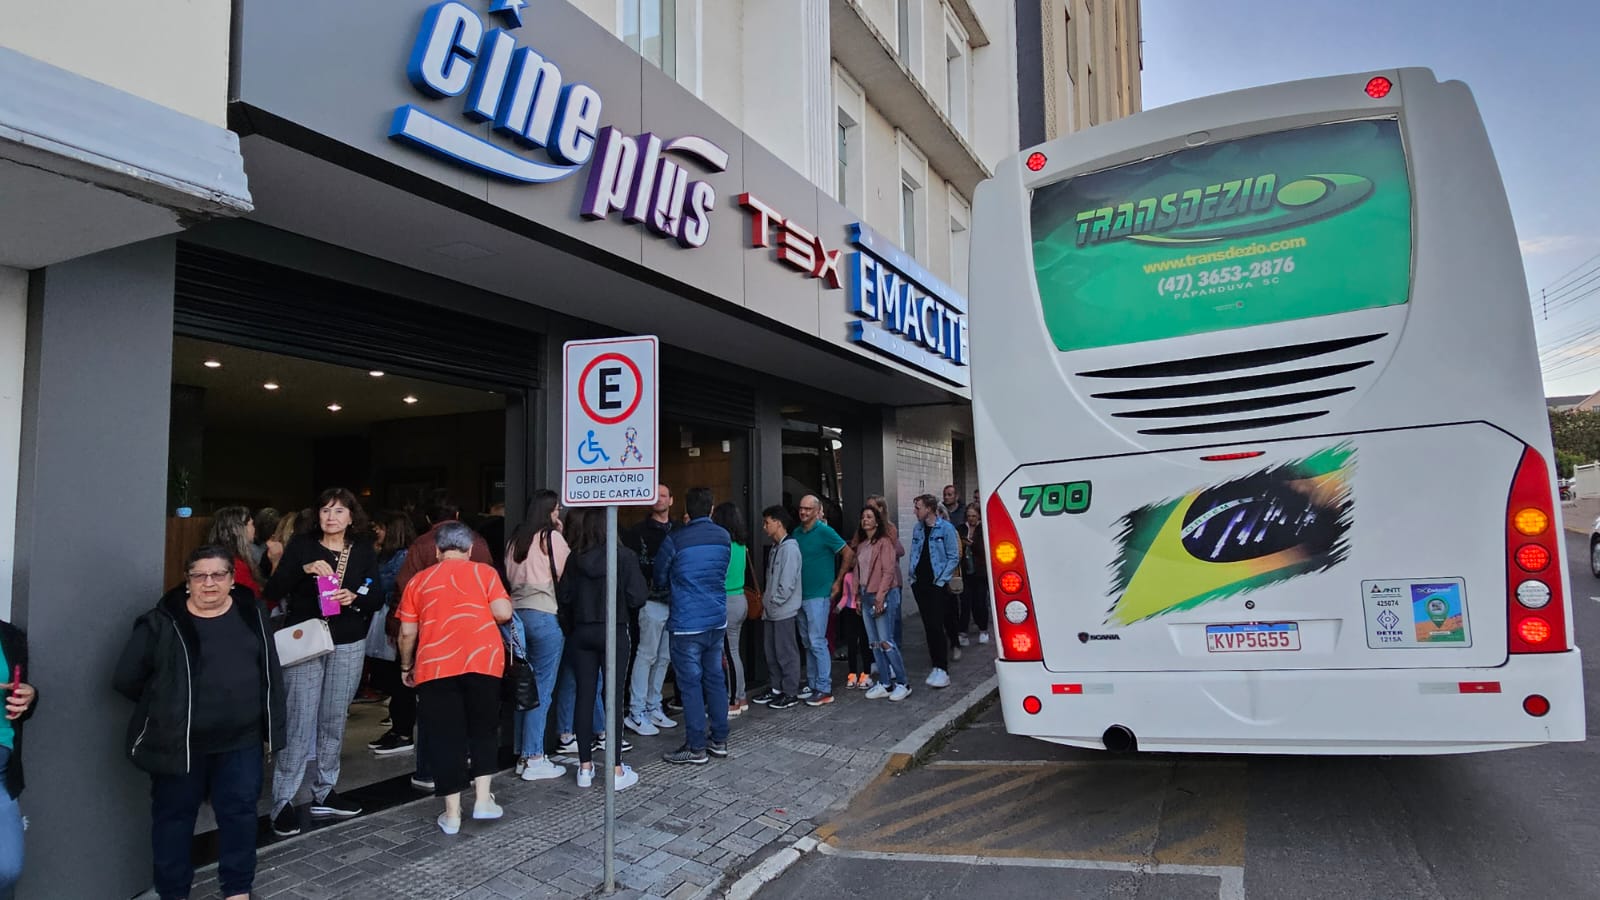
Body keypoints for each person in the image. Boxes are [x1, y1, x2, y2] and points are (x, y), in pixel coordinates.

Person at [114, 546, 282, 900]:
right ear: (187, 582)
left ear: (232, 580)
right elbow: (126, 678)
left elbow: (270, 669)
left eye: (218, 575)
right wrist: (167, 710)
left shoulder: (251, 612)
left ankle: (237, 890)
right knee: (174, 821)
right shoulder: (162, 622)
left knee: (239, 815)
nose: (209, 583)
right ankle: (173, 892)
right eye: (199, 576)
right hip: (181, 744)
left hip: (241, 741)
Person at [262, 488, 382, 836]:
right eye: (326, 510)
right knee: (300, 718)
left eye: (339, 511)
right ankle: (283, 799)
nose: (331, 516)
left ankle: (325, 790)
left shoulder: (361, 550)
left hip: (347, 640)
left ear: (350, 517)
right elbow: (273, 590)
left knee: (333, 718)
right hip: (306, 642)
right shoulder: (302, 545)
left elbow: (375, 593)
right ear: (317, 515)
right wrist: (302, 570)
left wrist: (354, 596)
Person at [396, 522, 513, 834]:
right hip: (484, 661)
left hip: (435, 667)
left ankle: (452, 815)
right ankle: (483, 800)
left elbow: (407, 632)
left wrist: (406, 666)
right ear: (470, 549)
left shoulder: (418, 582)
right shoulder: (485, 573)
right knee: (483, 729)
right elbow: (503, 612)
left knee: (445, 738)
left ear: (437, 551)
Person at [556, 508, 642, 790]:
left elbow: (564, 598)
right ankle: (615, 769)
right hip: (613, 629)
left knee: (585, 695)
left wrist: (573, 628)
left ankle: (584, 767)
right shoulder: (625, 556)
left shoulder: (574, 558)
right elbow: (638, 596)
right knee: (613, 697)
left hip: (582, 630)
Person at [656, 488, 731, 765]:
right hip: (716, 619)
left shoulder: (675, 539)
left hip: (687, 623)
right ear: (711, 509)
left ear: (687, 510)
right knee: (715, 679)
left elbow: (660, 576)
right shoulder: (724, 537)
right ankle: (720, 739)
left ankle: (696, 746)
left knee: (690, 685)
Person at [505, 490, 569, 782]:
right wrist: (559, 533)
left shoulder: (514, 541)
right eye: (556, 510)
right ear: (549, 512)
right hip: (544, 613)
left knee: (524, 687)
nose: (558, 515)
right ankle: (534, 757)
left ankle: (522, 754)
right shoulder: (550, 538)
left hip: (516, 617)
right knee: (541, 689)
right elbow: (566, 575)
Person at [622, 485, 677, 736]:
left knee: (664, 656)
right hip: (651, 602)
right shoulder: (637, 533)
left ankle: (654, 706)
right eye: (654, 495)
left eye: (664, 495)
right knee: (646, 656)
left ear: (672, 500)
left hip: (674, 602)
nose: (659, 499)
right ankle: (636, 711)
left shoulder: (679, 530)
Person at [366, 510, 418, 756]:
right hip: (389, 619)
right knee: (396, 680)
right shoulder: (389, 556)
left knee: (401, 680)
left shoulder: (402, 557)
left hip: (397, 621)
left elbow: (387, 588)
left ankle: (403, 731)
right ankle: (400, 729)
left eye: (382, 527)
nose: (378, 531)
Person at [793, 494, 853, 706]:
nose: (803, 512)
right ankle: (812, 683)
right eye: (801, 508)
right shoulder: (797, 533)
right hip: (800, 595)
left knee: (817, 641)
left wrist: (838, 582)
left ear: (817, 511)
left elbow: (848, 553)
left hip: (819, 595)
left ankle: (824, 687)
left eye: (808, 509)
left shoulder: (825, 531)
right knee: (808, 642)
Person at [854, 506, 911, 701]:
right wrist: (858, 596)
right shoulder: (862, 545)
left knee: (887, 641)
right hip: (866, 594)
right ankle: (886, 683)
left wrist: (880, 597)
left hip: (882, 594)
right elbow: (857, 573)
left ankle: (903, 682)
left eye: (869, 517)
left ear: (877, 521)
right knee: (874, 642)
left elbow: (888, 572)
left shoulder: (885, 543)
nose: (865, 520)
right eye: (863, 517)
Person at [752, 506, 803, 711]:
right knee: (772, 652)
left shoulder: (790, 548)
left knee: (786, 652)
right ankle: (776, 688)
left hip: (783, 610)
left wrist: (773, 601)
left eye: (767, 522)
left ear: (778, 523)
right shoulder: (776, 547)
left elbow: (787, 583)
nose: (765, 527)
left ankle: (790, 692)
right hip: (772, 610)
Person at [395, 490, 494, 592]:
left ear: (428, 519)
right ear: (457, 515)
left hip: (431, 605)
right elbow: (490, 582)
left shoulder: (420, 545)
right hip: (474, 605)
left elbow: (405, 586)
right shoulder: (478, 541)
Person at [909, 494, 961, 689]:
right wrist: (912, 577)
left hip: (937, 584)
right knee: (929, 626)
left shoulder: (946, 528)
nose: (915, 511)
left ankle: (942, 668)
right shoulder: (918, 529)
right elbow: (915, 552)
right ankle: (936, 665)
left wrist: (941, 580)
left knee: (937, 625)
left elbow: (953, 556)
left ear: (929, 509)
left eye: (918, 507)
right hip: (920, 583)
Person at [0, 612, 34, 900]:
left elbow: (23, 696)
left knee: (8, 867)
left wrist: (30, 695)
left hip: (2, 767)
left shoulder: (11, 636)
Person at [713, 502, 752, 717]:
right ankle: (742, 696)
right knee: (734, 651)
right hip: (740, 598)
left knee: (729, 653)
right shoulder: (741, 545)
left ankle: (733, 700)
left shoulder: (724, 545)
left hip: (727, 600)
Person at [864, 494, 906, 648]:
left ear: (880, 509)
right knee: (874, 620)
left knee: (893, 619)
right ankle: (878, 657)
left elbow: (892, 552)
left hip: (890, 580)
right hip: (870, 581)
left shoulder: (889, 529)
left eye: (872, 507)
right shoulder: (864, 527)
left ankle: (893, 654)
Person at [208, 507, 265, 598]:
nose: (254, 528)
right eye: (251, 524)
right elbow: (256, 600)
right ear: (240, 529)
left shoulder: (218, 557)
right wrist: (276, 562)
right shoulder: (236, 565)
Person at [962, 505, 992, 644]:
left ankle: (983, 629)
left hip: (980, 571)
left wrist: (972, 544)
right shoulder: (961, 528)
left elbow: (985, 549)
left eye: (974, 516)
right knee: (965, 602)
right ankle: (963, 631)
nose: (971, 519)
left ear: (979, 516)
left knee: (980, 602)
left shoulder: (984, 528)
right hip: (966, 570)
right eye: (969, 516)